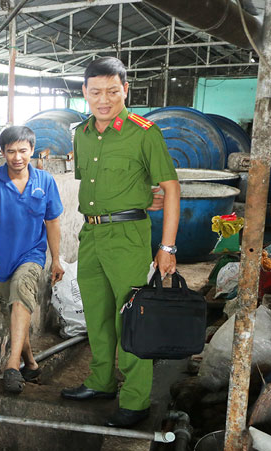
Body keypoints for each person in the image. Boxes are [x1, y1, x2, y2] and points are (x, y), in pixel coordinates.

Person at [59, 56, 181, 429]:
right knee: (96, 314)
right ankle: (101, 382)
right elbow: (99, 186)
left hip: (128, 236)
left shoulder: (144, 132)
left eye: (113, 91)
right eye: (95, 92)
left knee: (129, 317)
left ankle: (135, 400)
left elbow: (172, 188)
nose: (104, 99)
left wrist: (167, 246)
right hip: (91, 233)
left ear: (125, 90)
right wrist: (140, 193)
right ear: (84, 93)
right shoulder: (80, 133)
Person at [0, 125, 64, 394]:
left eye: (23, 151)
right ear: (2, 152)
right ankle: (31, 364)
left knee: (22, 291)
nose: (17, 157)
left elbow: (53, 223)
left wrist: (56, 259)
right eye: (10, 151)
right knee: (13, 312)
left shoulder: (45, 182)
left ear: (32, 151)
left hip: (31, 254)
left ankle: (12, 367)